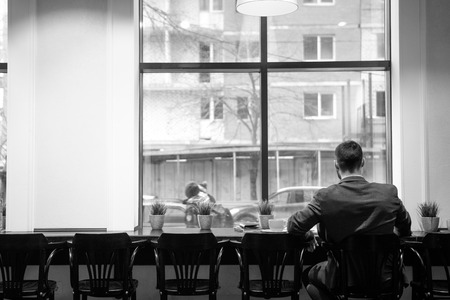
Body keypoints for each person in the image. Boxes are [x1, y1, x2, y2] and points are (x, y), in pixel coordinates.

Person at [287, 140, 412, 300]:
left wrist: (308, 236)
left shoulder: (326, 197)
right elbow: (405, 228)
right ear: (363, 162)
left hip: (342, 280)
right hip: (386, 279)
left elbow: (293, 226)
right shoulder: (388, 193)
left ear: (336, 165)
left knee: (308, 276)